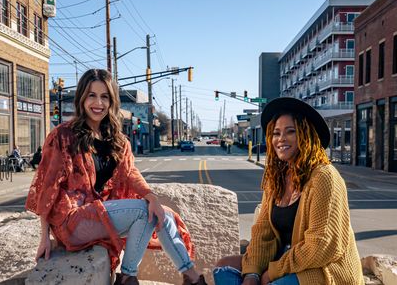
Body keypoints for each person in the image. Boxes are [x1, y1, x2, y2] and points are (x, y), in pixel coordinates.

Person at [25, 69, 206, 285]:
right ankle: (130, 276)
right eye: (92, 95)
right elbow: (47, 187)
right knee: (144, 211)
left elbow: (130, 173)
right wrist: (44, 237)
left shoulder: (118, 141)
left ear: (112, 101)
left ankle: (188, 278)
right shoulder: (63, 136)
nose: (98, 103)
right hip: (70, 221)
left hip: (98, 214)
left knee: (158, 213)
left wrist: (151, 196)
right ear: (82, 97)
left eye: (105, 96)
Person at [213, 97, 364, 285]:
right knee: (223, 268)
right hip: (287, 258)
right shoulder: (277, 178)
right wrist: (252, 274)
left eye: (290, 131)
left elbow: (322, 245)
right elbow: (263, 232)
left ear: (305, 134)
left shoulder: (324, 177)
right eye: (276, 133)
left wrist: (273, 272)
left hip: (323, 268)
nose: (281, 139)